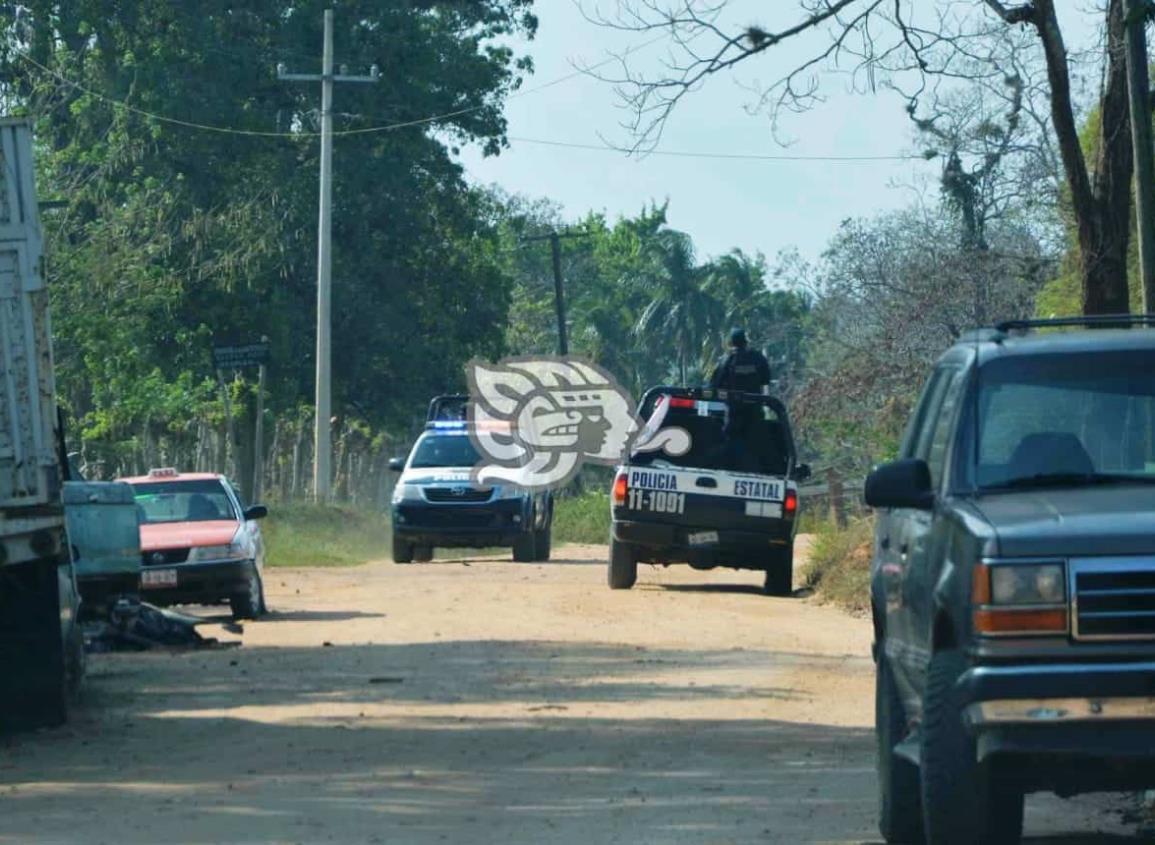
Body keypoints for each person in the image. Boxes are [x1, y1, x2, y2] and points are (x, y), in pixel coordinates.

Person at [708, 328, 771, 393]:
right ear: (746, 341)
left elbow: (715, 384)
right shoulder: (758, 357)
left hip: (733, 401)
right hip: (755, 400)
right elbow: (766, 380)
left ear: (732, 343)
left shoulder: (726, 360)